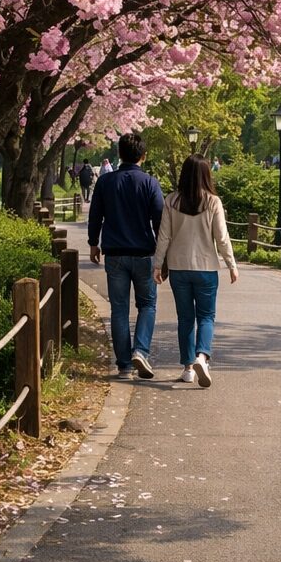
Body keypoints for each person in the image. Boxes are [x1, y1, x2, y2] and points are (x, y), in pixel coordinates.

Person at [152, 154, 239, 388]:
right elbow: (221, 237)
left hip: (179, 268)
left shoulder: (171, 201)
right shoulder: (213, 202)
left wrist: (157, 264)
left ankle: (188, 368)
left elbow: (164, 236)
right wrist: (231, 264)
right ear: (206, 175)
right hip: (206, 268)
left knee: (185, 319)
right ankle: (202, 356)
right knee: (206, 316)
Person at [88, 133, 164, 380]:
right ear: (144, 155)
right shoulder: (150, 183)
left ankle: (124, 366)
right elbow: (160, 220)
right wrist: (163, 256)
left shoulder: (105, 182)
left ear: (119, 154)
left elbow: (96, 215)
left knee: (119, 309)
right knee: (148, 305)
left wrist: (93, 244)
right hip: (144, 253)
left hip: (115, 253)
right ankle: (140, 350)